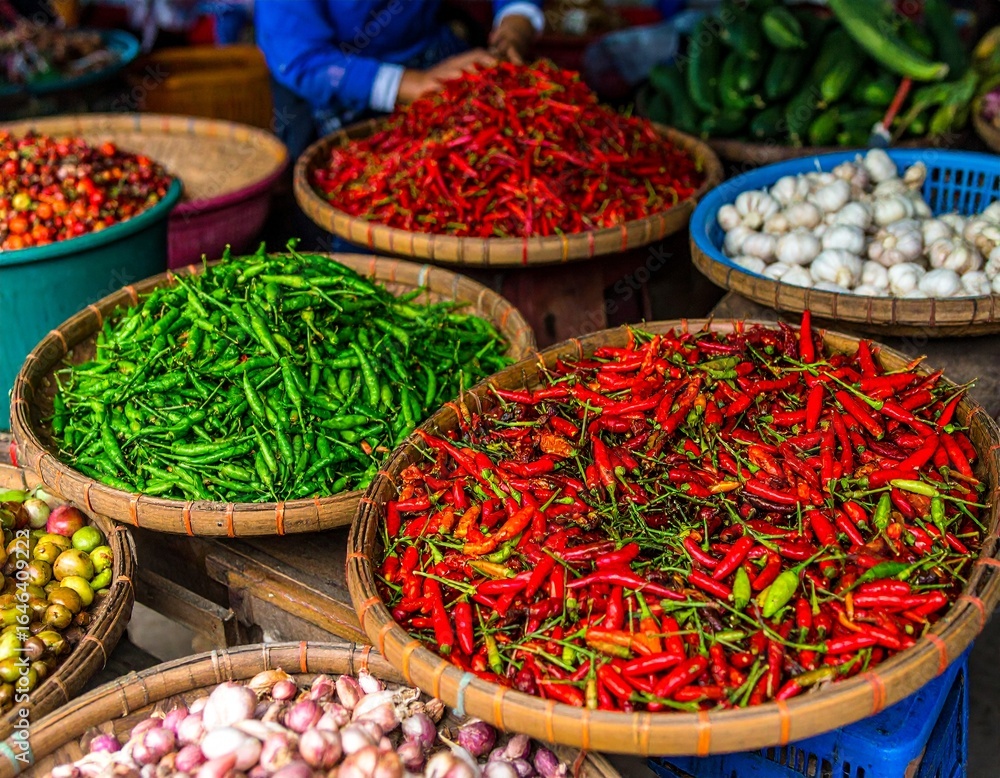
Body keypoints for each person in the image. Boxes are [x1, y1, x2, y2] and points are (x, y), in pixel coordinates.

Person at [255, 0, 544, 158]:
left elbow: (516, 14)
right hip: (330, 76)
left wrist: (516, 18)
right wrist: (415, 84)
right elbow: (301, 58)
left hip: (429, 49)